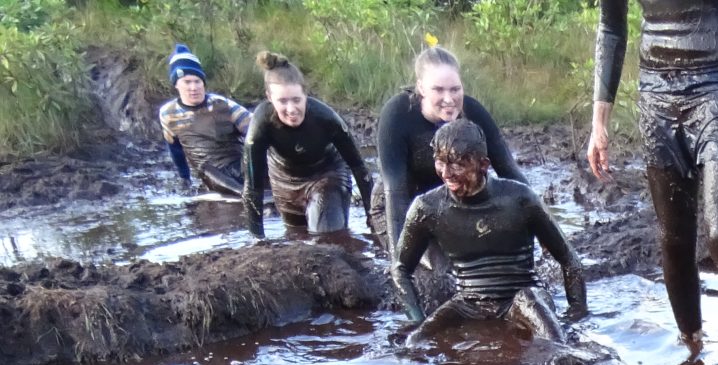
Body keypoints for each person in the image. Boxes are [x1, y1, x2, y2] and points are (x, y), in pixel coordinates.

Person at [585, 0, 718, 365]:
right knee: (674, 239)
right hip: (657, 93)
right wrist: (599, 123)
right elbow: (611, 29)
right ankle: (693, 356)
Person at [393, 120, 588, 345]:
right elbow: (400, 269)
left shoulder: (520, 199)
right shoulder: (427, 208)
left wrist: (576, 315)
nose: (446, 174)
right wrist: (416, 319)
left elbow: (569, 259)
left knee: (556, 341)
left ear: (483, 165)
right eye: (439, 162)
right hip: (468, 302)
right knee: (414, 342)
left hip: (522, 297)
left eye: (457, 165)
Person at [375, 45, 528, 260]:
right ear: (421, 88)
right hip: (400, 204)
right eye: (438, 90)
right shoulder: (397, 114)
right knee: (441, 268)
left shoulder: (473, 111)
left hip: (451, 202)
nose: (449, 99)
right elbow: (395, 192)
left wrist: (544, 228)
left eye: (455, 89)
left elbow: (510, 173)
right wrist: (399, 263)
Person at [241, 52, 373, 238]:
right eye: (282, 101)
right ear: (269, 97)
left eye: (296, 100)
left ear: (305, 94)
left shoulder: (326, 118)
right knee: (297, 240)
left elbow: (359, 168)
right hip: (284, 182)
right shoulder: (260, 124)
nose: (291, 109)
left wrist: (372, 219)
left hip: (327, 176)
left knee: (326, 238)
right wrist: (257, 239)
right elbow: (252, 188)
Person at [157, 45, 250, 197]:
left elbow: (256, 131)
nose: (193, 87)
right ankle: (243, 194)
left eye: (197, 81)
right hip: (211, 176)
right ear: (176, 85)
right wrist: (184, 178)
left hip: (240, 168)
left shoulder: (223, 105)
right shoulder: (168, 113)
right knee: (207, 169)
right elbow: (175, 148)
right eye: (187, 82)